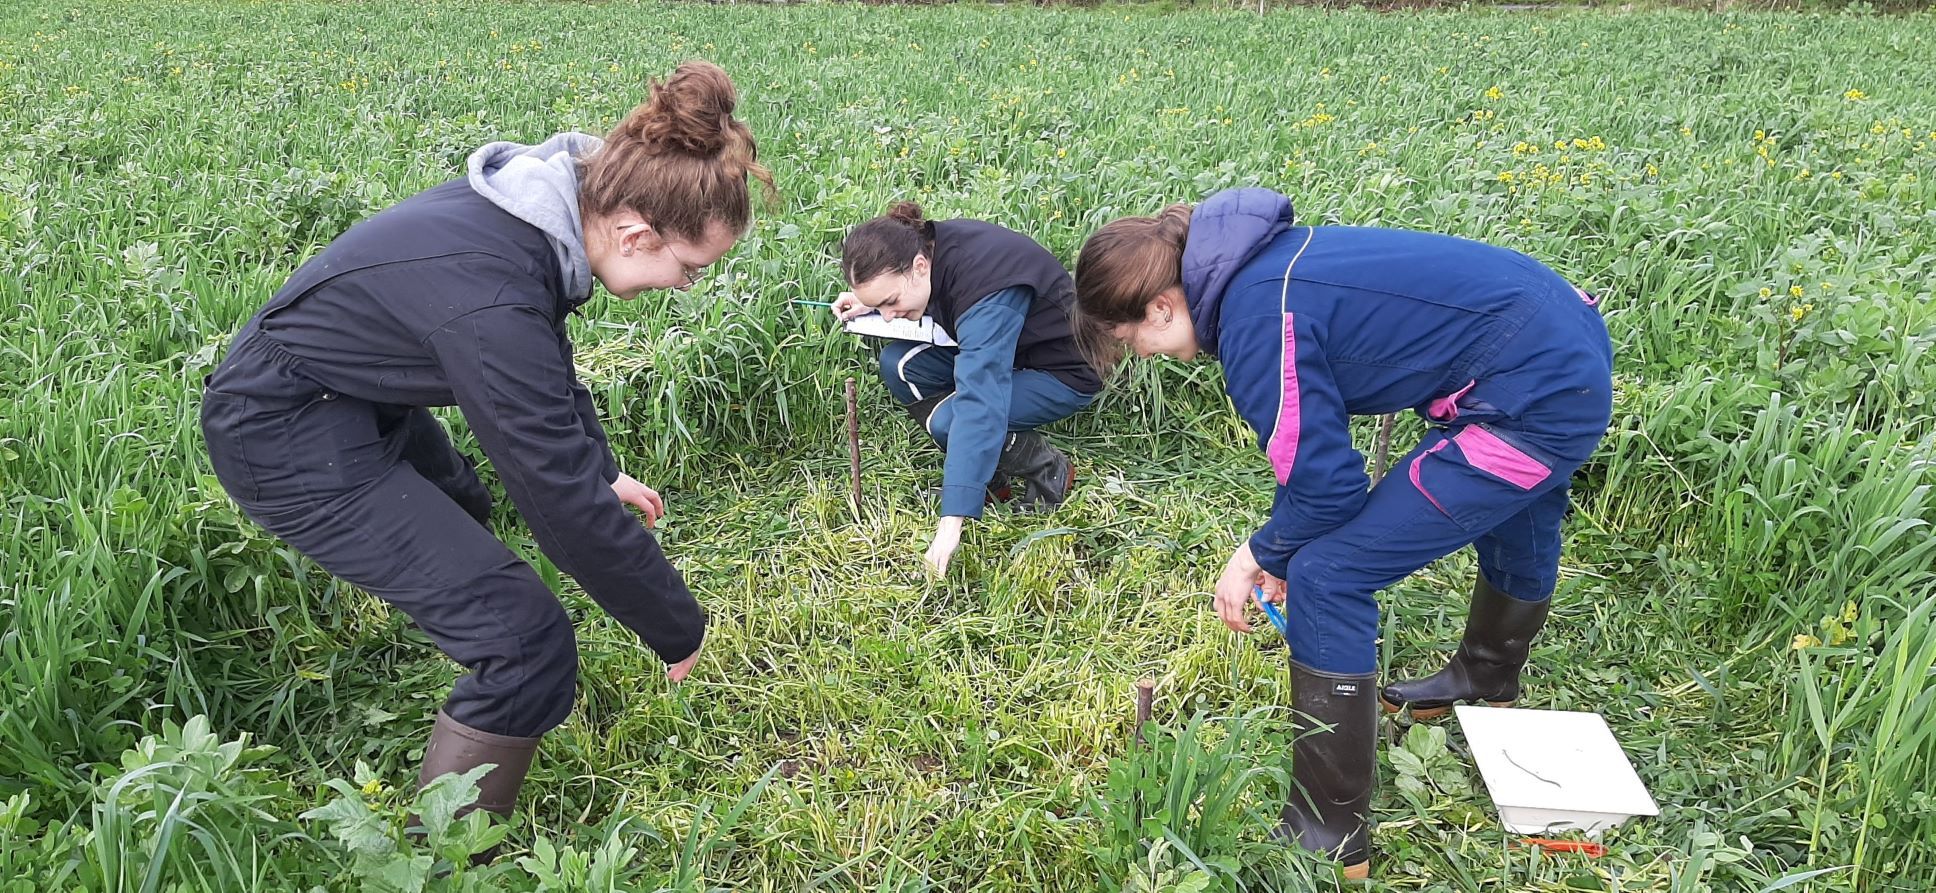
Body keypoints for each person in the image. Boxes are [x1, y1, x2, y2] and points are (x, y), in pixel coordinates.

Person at [199, 61, 774, 829]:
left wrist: (601, 470)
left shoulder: (540, 219)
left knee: (463, 504)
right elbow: (557, 499)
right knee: (528, 644)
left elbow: (543, 365)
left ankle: (463, 656)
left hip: (350, 395)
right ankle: (444, 856)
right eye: (690, 269)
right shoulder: (494, 292)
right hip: (279, 429)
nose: (684, 285)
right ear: (636, 234)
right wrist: (675, 623)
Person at [1071, 187, 1613, 878]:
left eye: (1131, 340)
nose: (1143, 355)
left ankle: (1329, 834)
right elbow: (1307, 457)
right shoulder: (1258, 271)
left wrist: (1259, 553)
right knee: (1518, 506)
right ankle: (1486, 678)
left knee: (1329, 575)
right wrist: (1279, 543)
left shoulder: (1255, 322)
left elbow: (1329, 490)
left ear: (1159, 307)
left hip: (1535, 398)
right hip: (1560, 340)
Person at [832, 203, 1101, 574]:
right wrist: (870, 304)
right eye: (881, 304)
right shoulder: (927, 248)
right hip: (1013, 351)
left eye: (890, 302)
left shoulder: (986, 288)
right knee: (899, 365)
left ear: (919, 267)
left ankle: (1049, 469)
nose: (888, 315)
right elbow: (928, 298)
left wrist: (951, 523)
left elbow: (980, 404)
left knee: (955, 421)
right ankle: (992, 481)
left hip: (1062, 369)